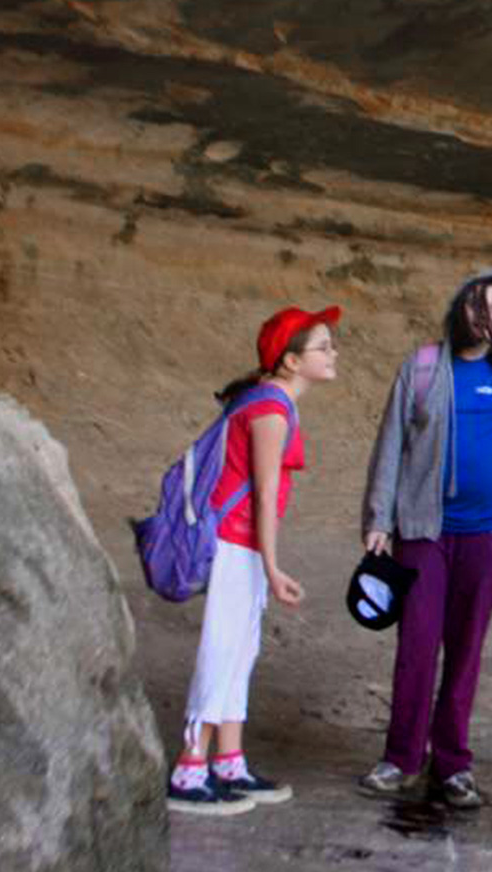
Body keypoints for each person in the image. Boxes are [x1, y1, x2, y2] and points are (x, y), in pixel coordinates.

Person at [354, 252, 492, 808]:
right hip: (422, 531)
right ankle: (401, 757)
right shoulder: (424, 367)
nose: (486, 316)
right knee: (418, 646)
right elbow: (390, 447)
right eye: (478, 303)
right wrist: (379, 519)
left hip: (485, 533)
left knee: (466, 648)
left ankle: (452, 764)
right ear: (459, 308)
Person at [169, 303, 341, 816]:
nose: (334, 354)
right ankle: (189, 767)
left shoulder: (273, 401)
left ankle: (229, 761)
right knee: (223, 648)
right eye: (323, 347)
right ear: (290, 361)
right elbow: (264, 493)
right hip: (234, 542)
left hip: (240, 543)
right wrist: (272, 565)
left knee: (240, 648)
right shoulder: (269, 408)